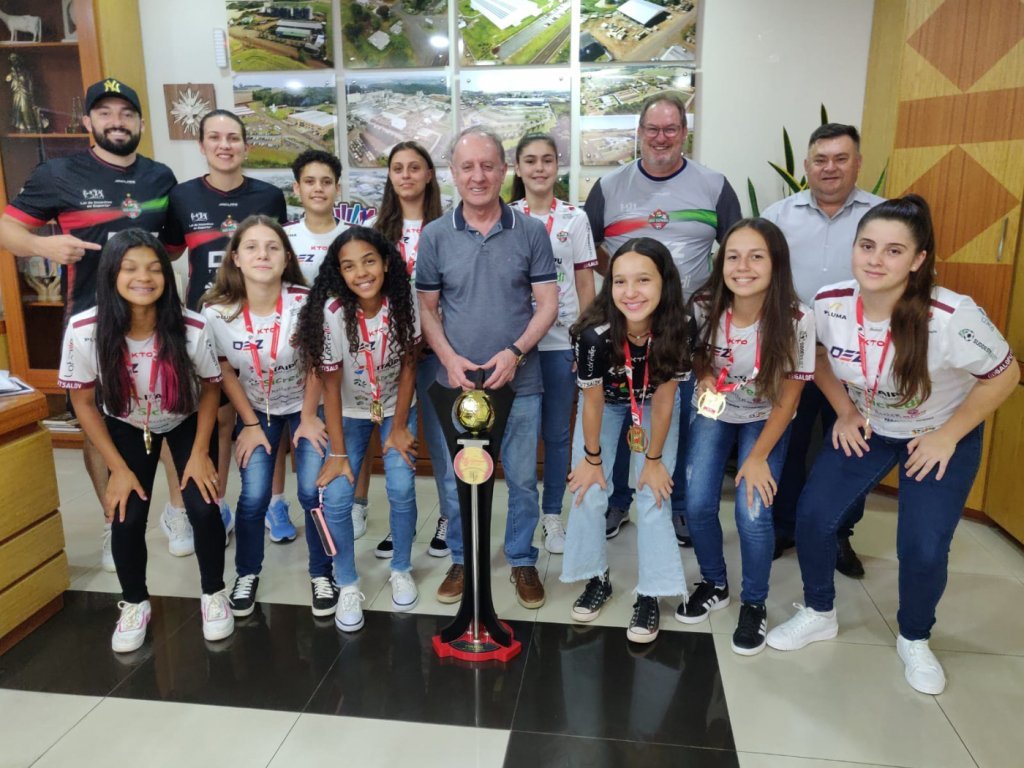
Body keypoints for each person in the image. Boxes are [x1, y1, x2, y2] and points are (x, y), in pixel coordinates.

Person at [766, 196, 1018, 695]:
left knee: (923, 547)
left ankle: (915, 637)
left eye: (894, 250)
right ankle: (819, 611)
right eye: (867, 246)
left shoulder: (950, 315)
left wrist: (948, 435)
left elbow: (1005, 374)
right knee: (814, 517)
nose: (876, 260)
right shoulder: (831, 301)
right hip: (870, 426)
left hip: (939, 433)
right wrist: (844, 409)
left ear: (919, 259)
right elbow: (815, 356)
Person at [0, 77, 178, 572]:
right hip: (90, 321)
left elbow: (176, 245)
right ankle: (112, 519)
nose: (116, 121)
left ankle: (179, 512)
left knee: (169, 411)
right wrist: (42, 246)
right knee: (96, 420)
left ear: (140, 123)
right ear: (88, 123)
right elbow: (7, 226)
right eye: (105, 113)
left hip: (154, 318)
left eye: (126, 113)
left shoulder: (160, 176)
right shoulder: (58, 172)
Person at [57, 230, 232, 651]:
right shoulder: (84, 330)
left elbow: (211, 388)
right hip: (125, 422)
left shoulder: (191, 325)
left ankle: (214, 593)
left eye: (155, 268)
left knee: (205, 508)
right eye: (130, 268)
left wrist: (198, 455)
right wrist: (117, 468)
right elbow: (82, 401)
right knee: (126, 516)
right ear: (111, 274)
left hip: (184, 417)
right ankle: (135, 602)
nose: (144, 277)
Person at [584, 91, 741, 545]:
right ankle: (616, 504)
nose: (661, 137)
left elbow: (737, 250)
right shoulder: (610, 187)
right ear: (639, 133)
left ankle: (675, 506)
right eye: (652, 129)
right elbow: (584, 247)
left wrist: (712, 290)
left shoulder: (713, 185)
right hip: (624, 330)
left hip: (685, 332)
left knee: (681, 420)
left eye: (671, 129)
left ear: (684, 134)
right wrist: (620, 284)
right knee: (622, 411)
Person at [417, 126, 558, 608]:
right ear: (453, 174)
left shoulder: (531, 231)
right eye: (467, 167)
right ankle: (462, 557)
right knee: (459, 477)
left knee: (520, 477)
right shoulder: (435, 235)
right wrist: (449, 359)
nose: (478, 176)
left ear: (504, 170)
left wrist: (515, 352)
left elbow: (548, 305)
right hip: (455, 383)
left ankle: (521, 560)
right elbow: (428, 310)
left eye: (487, 166)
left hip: (521, 380)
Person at [675, 219, 814, 655]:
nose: (743, 266)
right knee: (697, 501)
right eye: (733, 256)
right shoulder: (703, 304)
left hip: (765, 416)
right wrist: (704, 377)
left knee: (753, 515)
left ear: (776, 263)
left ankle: (754, 602)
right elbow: (697, 354)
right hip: (715, 409)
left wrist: (757, 457)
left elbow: (789, 401)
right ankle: (714, 582)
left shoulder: (796, 318)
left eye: (757, 256)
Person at [201, 215, 338, 619]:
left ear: (286, 256)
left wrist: (311, 417)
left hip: (303, 407)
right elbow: (224, 369)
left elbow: (318, 361)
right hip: (256, 411)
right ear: (236, 258)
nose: (263, 254)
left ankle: (322, 572)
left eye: (273, 247)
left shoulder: (308, 302)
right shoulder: (216, 312)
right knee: (254, 495)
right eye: (252, 247)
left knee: (314, 493)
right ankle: (247, 573)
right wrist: (249, 423)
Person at [764, 123, 885, 576]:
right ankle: (783, 527)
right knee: (788, 442)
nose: (830, 168)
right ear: (807, 166)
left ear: (857, 163)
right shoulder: (779, 215)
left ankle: (839, 535)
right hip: (791, 353)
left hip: (858, 360)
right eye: (820, 159)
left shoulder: (883, 216)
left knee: (852, 448)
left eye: (840, 158)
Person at [162, 109, 288, 545]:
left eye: (233, 137)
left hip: (255, 326)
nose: (225, 145)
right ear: (201, 146)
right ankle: (210, 505)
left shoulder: (270, 196)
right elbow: (170, 255)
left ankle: (274, 503)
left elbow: (278, 256)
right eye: (214, 138)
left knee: (265, 414)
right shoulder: (181, 198)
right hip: (202, 325)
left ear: (245, 145)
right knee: (208, 420)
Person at [562, 237, 690, 643]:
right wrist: (592, 459)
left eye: (643, 280)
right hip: (607, 406)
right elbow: (594, 402)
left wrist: (652, 462)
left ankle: (651, 591)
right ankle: (595, 576)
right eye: (620, 282)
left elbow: (667, 401)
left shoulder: (679, 326)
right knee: (588, 489)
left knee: (654, 495)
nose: (630, 293)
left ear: (664, 283)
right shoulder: (594, 335)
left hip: (652, 406)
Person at [297, 226, 422, 627]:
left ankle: (401, 568)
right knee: (334, 498)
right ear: (339, 273)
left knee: (401, 484)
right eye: (348, 266)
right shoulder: (333, 311)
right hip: (348, 412)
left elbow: (408, 366)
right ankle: (347, 582)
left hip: (395, 407)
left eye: (369, 261)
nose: (361, 272)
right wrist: (337, 452)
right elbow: (330, 386)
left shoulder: (405, 299)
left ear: (386, 263)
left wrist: (399, 425)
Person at [509, 132, 598, 555]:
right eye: (531, 160)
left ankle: (552, 515)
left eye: (547, 160)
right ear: (518, 168)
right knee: (521, 436)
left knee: (559, 434)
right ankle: (522, 513)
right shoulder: (506, 217)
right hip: (517, 344)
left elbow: (584, 280)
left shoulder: (574, 218)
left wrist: (587, 334)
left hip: (562, 341)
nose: (539, 168)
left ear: (557, 166)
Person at [258, 150, 348, 545]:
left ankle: (342, 501)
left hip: (338, 352)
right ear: (296, 188)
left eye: (326, 182)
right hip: (285, 352)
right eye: (309, 181)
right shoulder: (284, 238)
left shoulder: (348, 235)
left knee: (329, 428)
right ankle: (276, 503)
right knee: (278, 430)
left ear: (337, 189)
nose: (318, 189)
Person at [368, 140, 451, 559]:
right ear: (389, 175)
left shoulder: (450, 224)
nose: (406, 175)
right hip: (388, 353)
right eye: (397, 168)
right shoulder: (376, 229)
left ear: (429, 175)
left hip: (438, 346)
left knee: (439, 440)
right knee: (397, 440)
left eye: (414, 167)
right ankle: (402, 524)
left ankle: (447, 518)